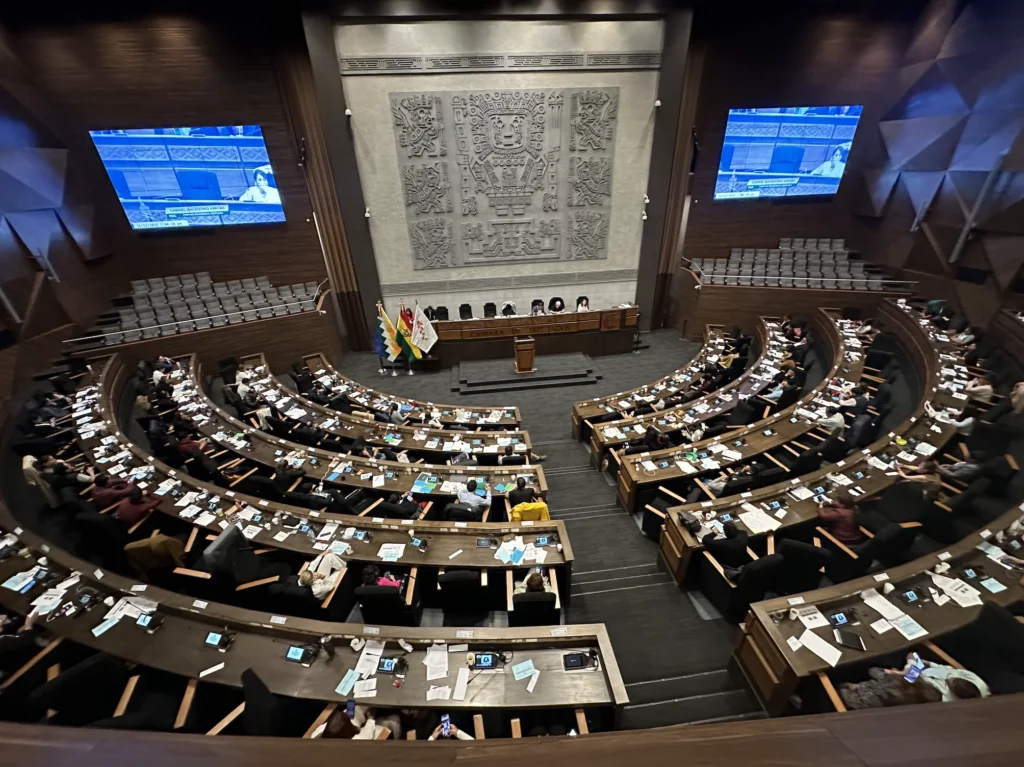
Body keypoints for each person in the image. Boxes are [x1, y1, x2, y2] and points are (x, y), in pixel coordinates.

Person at [839, 667, 942, 710]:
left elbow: (873, 670)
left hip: (851, 698)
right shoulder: (910, 705)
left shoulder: (895, 680)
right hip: (866, 703)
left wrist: (896, 672)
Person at [898, 654, 989, 702]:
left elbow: (910, 679)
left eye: (949, 681)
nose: (949, 677)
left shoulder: (939, 696)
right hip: (925, 669)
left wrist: (911, 662)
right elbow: (950, 670)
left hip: (912, 680)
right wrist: (927, 663)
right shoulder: (976, 680)